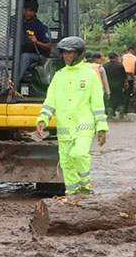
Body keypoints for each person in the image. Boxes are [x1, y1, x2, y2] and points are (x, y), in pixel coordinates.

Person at [35, 37, 107, 195]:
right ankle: (71, 194)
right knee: (66, 162)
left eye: (70, 53)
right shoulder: (59, 76)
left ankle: (84, 188)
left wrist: (101, 128)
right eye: (64, 53)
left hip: (84, 127)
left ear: (79, 54)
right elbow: (50, 101)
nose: (66, 56)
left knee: (79, 154)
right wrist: (42, 119)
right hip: (64, 129)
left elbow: (98, 105)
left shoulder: (90, 75)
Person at [19, 0, 52, 81]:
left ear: (35, 12)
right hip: (17, 52)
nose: (27, 13)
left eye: (30, 11)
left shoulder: (39, 26)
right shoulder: (15, 21)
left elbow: (48, 46)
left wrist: (36, 42)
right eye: (25, 10)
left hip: (37, 54)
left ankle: (14, 82)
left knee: (25, 56)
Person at [104, 52, 126, 117]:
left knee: (110, 99)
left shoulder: (105, 66)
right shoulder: (120, 65)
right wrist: (125, 84)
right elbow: (124, 77)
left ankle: (110, 114)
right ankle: (121, 114)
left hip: (109, 86)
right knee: (120, 99)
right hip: (119, 86)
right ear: (116, 57)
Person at [121, 46, 136, 112]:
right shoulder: (135, 58)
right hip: (130, 78)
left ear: (127, 51)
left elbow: (120, 65)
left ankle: (121, 107)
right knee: (128, 93)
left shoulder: (123, 57)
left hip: (122, 77)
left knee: (123, 92)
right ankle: (126, 108)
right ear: (133, 51)